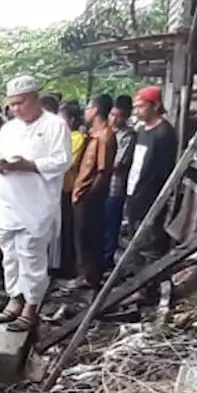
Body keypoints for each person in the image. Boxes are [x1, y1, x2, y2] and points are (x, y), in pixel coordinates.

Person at [0, 76, 73, 333]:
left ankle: (31, 306)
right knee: (10, 256)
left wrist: (30, 165)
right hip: (6, 203)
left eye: (20, 103)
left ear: (35, 99)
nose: (15, 109)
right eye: (12, 104)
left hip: (35, 204)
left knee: (31, 256)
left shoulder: (55, 125)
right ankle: (14, 299)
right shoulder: (9, 129)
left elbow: (62, 160)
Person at [124, 86, 179, 304]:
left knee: (150, 244)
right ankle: (140, 284)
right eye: (136, 107)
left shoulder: (164, 133)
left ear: (155, 106)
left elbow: (164, 171)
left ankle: (151, 289)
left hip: (151, 197)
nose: (137, 111)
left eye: (141, 106)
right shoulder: (142, 131)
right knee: (136, 241)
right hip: (135, 193)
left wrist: (159, 199)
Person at [70, 95, 116, 288]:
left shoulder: (105, 135)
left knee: (89, 237)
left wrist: (91, 196)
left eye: (88, 108)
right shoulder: (92, 134)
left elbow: (103, 171)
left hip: (90, 194)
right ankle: (84, 274)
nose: (85, 112)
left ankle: (91, 277)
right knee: (81, 236)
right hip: (81, 191)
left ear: (95, 110)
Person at [104, 94, 137, 267]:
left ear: (126, 116)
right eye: (112, 115)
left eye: (119, 116)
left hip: (115, 187)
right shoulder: (107, 132)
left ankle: (108, 260)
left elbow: (119, 163)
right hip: (101, 187)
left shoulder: (128, 136)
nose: (115, 119)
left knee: (111, 225)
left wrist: (101, 164)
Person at [57, 101, 88, 278]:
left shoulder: (76, 137)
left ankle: (67, 269)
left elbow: (67, 162)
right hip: (57, 189)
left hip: (67, 189)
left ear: (71, 120)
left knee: (67, 230)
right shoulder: (65, 137)